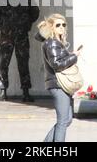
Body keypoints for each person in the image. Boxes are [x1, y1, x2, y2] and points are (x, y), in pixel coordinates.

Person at [0, 0, 40, 102]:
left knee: (23, 64)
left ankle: (26, 92)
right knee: (3, 64)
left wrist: (25, 24)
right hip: (6, 36)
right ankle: (2, 92)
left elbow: (35, 12)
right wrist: (4, 25)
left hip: (22, 36)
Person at [35, 14, 81, 142]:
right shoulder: (52, 43)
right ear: (51, 28)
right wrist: (74, 56)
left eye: (63, 25)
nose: (61, 27)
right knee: (62, 122)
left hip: (61, 84)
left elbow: (59, 60)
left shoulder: (57, 42)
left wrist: (70, 54)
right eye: (58, 25)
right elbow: (56, 64)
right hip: (58, 85)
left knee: (67, 119)